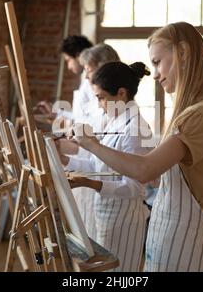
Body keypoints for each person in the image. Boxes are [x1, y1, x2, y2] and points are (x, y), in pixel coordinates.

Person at [69, 22, 203, 272]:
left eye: (157, 62)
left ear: (182, 54)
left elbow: (144, 170)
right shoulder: (190, 112)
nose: (155, 73)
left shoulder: (201, 114)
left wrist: (91, 144)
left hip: (184, 240)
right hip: (170, 233)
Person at [60, 61, 152, 272]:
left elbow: (134, 187)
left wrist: (89, 183)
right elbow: (98, 164)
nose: (99, 105)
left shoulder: (136, 128)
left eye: (101, 98)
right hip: (107, 214)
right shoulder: (115, 120)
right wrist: (66, 160)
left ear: (121, 93)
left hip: (125, 220)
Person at [57, 43, 121, 240]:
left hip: (104, 185)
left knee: (95, 238)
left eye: (89, 70)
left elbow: (101, 149)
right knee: (86, 231)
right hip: (88, 168)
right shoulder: (98, 102)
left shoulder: (113, 108)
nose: (85, 77)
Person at [34, 35, 93, 123]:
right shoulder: (86, 81)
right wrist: (56, 113)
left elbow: (91, 121)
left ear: (78, 55)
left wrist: (61, 120)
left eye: (68, 60)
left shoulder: (93, 83)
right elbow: (79, 116)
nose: (68, 67)